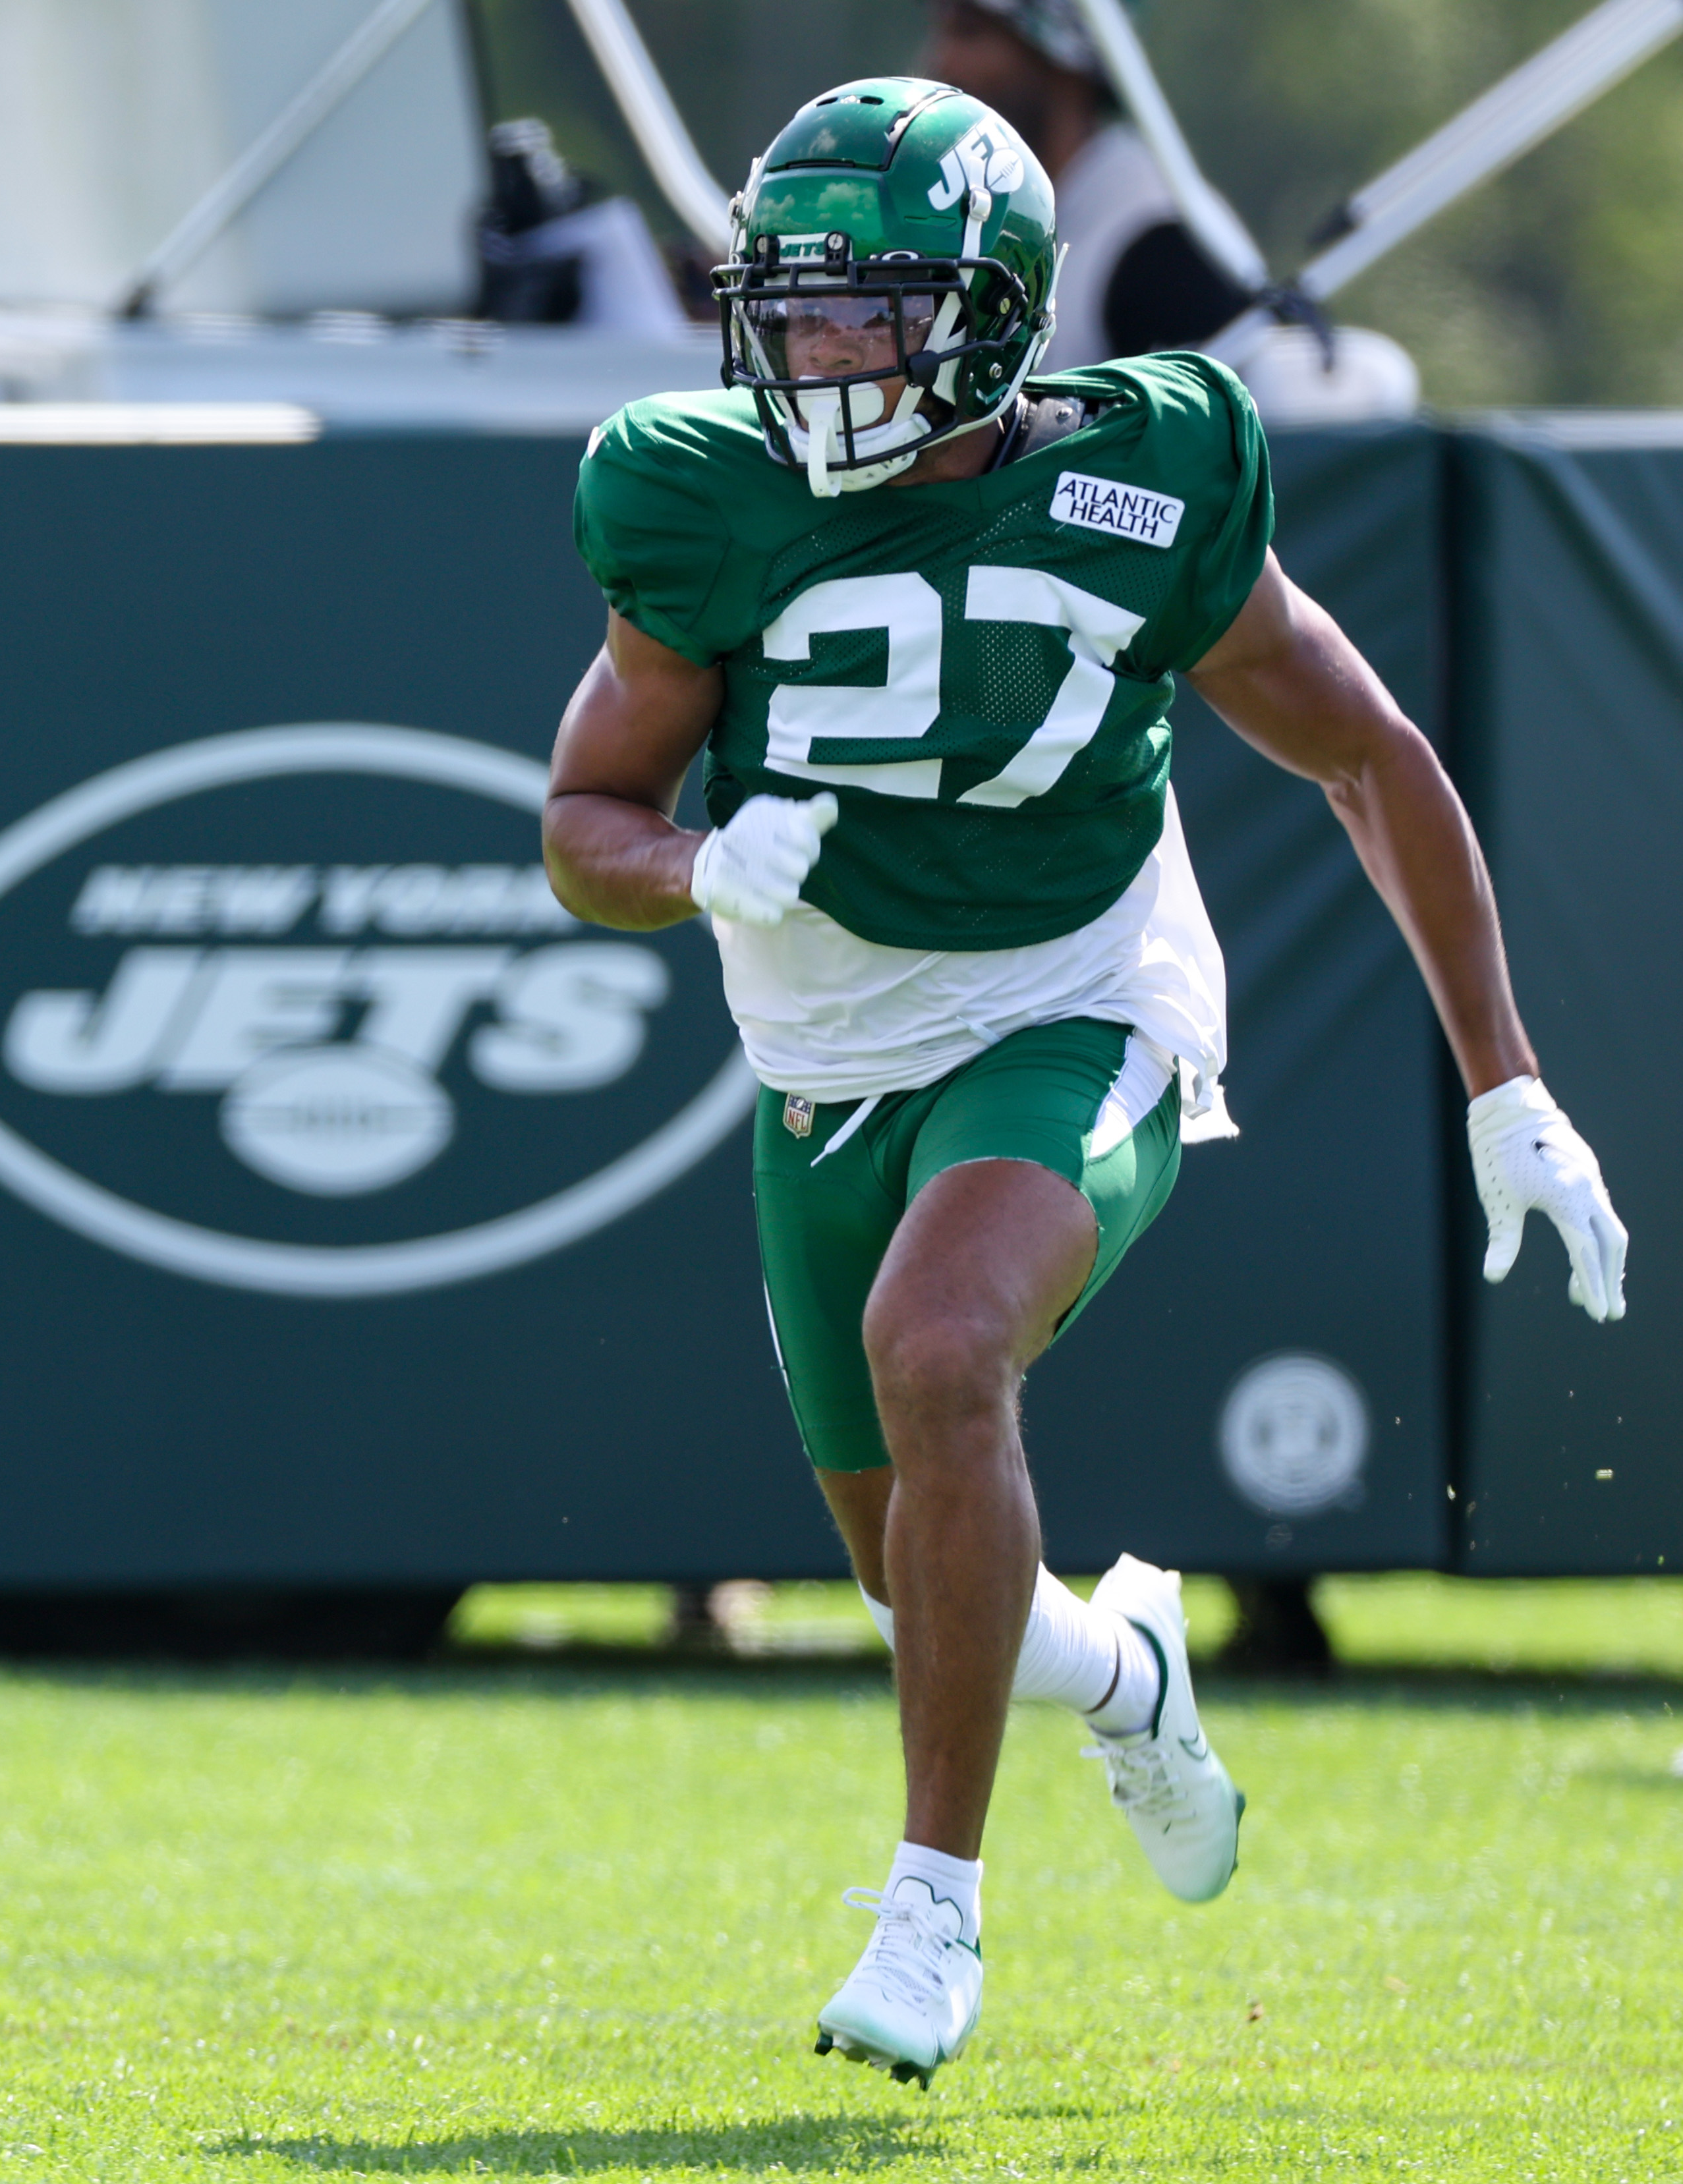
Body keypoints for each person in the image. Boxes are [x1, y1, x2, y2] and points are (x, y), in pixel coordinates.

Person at [544, 78, 1626, 2088]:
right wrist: (696, 864)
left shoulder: (1144, 469)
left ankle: (929, 1914)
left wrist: (1506, 1085)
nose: (815, 350)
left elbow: (1365, 753)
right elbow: (583, 814)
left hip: (1078, 997)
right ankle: (1125, 1669)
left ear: (988, 312)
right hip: (826, 1058)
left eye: (866, 310)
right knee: (910, 1580)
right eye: (789, 308)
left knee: (939, 1348)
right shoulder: (700, 494)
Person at [921, 0, 1254, 369]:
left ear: (1062, 54)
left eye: (970, 32)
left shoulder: (1161, 244)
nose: (943, 64)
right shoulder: (1011, 221)